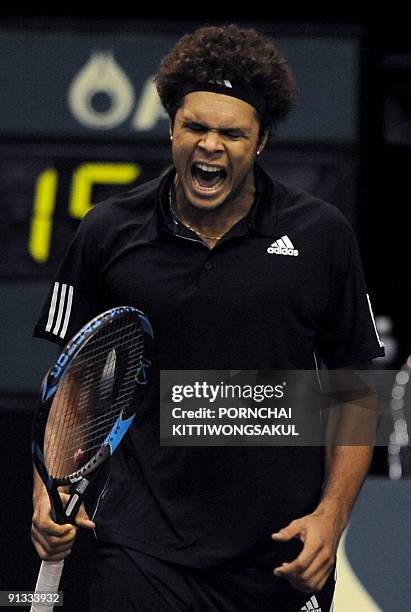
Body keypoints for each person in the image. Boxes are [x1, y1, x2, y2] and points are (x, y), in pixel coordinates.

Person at [31, 24, 384, 611]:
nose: (210, 146)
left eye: (232, 133)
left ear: (261, 141)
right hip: (139, 546)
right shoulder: (108, 231)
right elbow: (75, 378)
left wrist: (331, 517)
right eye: (195, 126)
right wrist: (48, 491)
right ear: (171, 128)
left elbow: (353, 387)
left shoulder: (321, 235)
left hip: (279, 549)